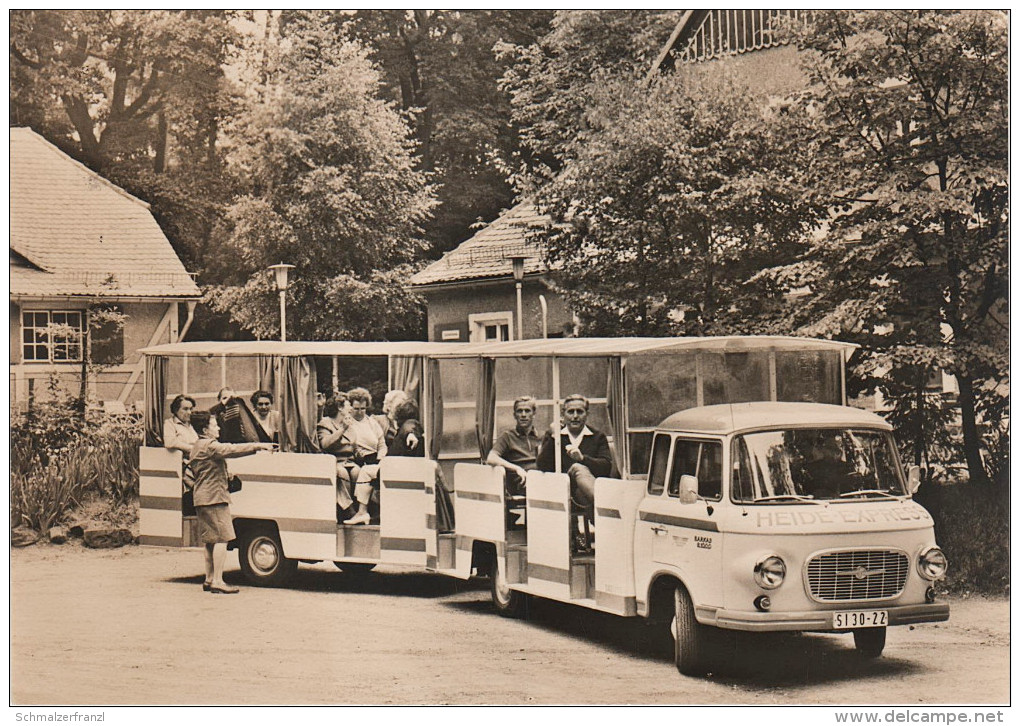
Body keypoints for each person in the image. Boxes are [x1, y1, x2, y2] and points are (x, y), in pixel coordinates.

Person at [188, 410, 275, 594]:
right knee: (222, 538)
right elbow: (231, 449)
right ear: (205, 429)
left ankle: (209, 578)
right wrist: (258, 446)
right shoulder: (210, 445)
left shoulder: (196, 446)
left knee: (210, 541)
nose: (218, 427)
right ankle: (218, 581)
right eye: (214, 425)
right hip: (215, 498)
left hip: (202, 498)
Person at [536, 394, 612, 551]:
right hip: (562, 490)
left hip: (583, 494)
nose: (575, 416)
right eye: (571, 412)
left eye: (580, 411)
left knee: (581, 476)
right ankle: (608, 520)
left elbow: (606, 467)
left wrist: (582, 458)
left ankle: (584, 536)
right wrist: (553, 437)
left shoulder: (597, 437)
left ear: (587, 414)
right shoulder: (555, 437)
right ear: (563, 414)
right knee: (577, 469)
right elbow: (542, 465)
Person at [387, 399, 455, 532]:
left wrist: (410, 435)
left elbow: (410, 427)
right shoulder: (414, 426)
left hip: (398, 475)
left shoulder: (408, 426)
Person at [344, 387, 388, 525]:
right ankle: (361, 511)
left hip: (377, 458)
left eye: (363, 408)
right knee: (362, 473)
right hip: (359, 459)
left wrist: (381, 459)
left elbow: (382, 444)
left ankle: (369, 513)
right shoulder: (347, 423)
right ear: (350, 407)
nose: (360, 412)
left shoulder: (372, 422)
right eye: (356, 408)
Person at [486, 395, 542, 497]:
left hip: (540, 478)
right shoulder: (507, 436)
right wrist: (517, 469)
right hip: (520, 482)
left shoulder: (541, 436)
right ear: (514, 415)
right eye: (519, 411)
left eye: (527, 411)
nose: (523, 415)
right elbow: (491, 458)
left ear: (534, 414)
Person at [316, 394, 359, 515]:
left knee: (357, 471)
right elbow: (325, 444)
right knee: (341, 473)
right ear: (340, 407)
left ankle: (357, 508)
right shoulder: (326, 423)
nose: (351, 408)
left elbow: (353, 447)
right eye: (348, 405)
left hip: (349, 461)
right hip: (331, 461)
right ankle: (347, 509)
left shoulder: (349, 424)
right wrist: (342, 430)